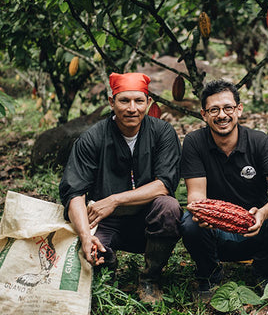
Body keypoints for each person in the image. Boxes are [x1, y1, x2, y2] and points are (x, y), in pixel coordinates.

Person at [59, 72, 182, 303]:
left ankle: (149, 279)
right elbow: (74, 192)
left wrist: (115, 199)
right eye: (124, 100)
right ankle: (109, 267)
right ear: (111, 102)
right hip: (104, 222)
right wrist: (85, 236)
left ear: (148, 102)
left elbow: (164, 185)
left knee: (170, 208)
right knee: (94, 257)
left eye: (139, 101)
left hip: (146, 220)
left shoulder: (162, 132)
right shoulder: (92, 138)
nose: (132, 108)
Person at [180, 79, 268, 300]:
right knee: (190, 222)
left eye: (228, 108)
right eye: (214, 110)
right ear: (204, 114)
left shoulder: (258, 141)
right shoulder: (194, 142)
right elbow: (196, 195)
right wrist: (202, 212)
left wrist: (263, 214)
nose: (222, 115)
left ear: (239, 109)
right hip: (215, 232)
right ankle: (209, 275)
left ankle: (265, 271)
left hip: (255, 229)